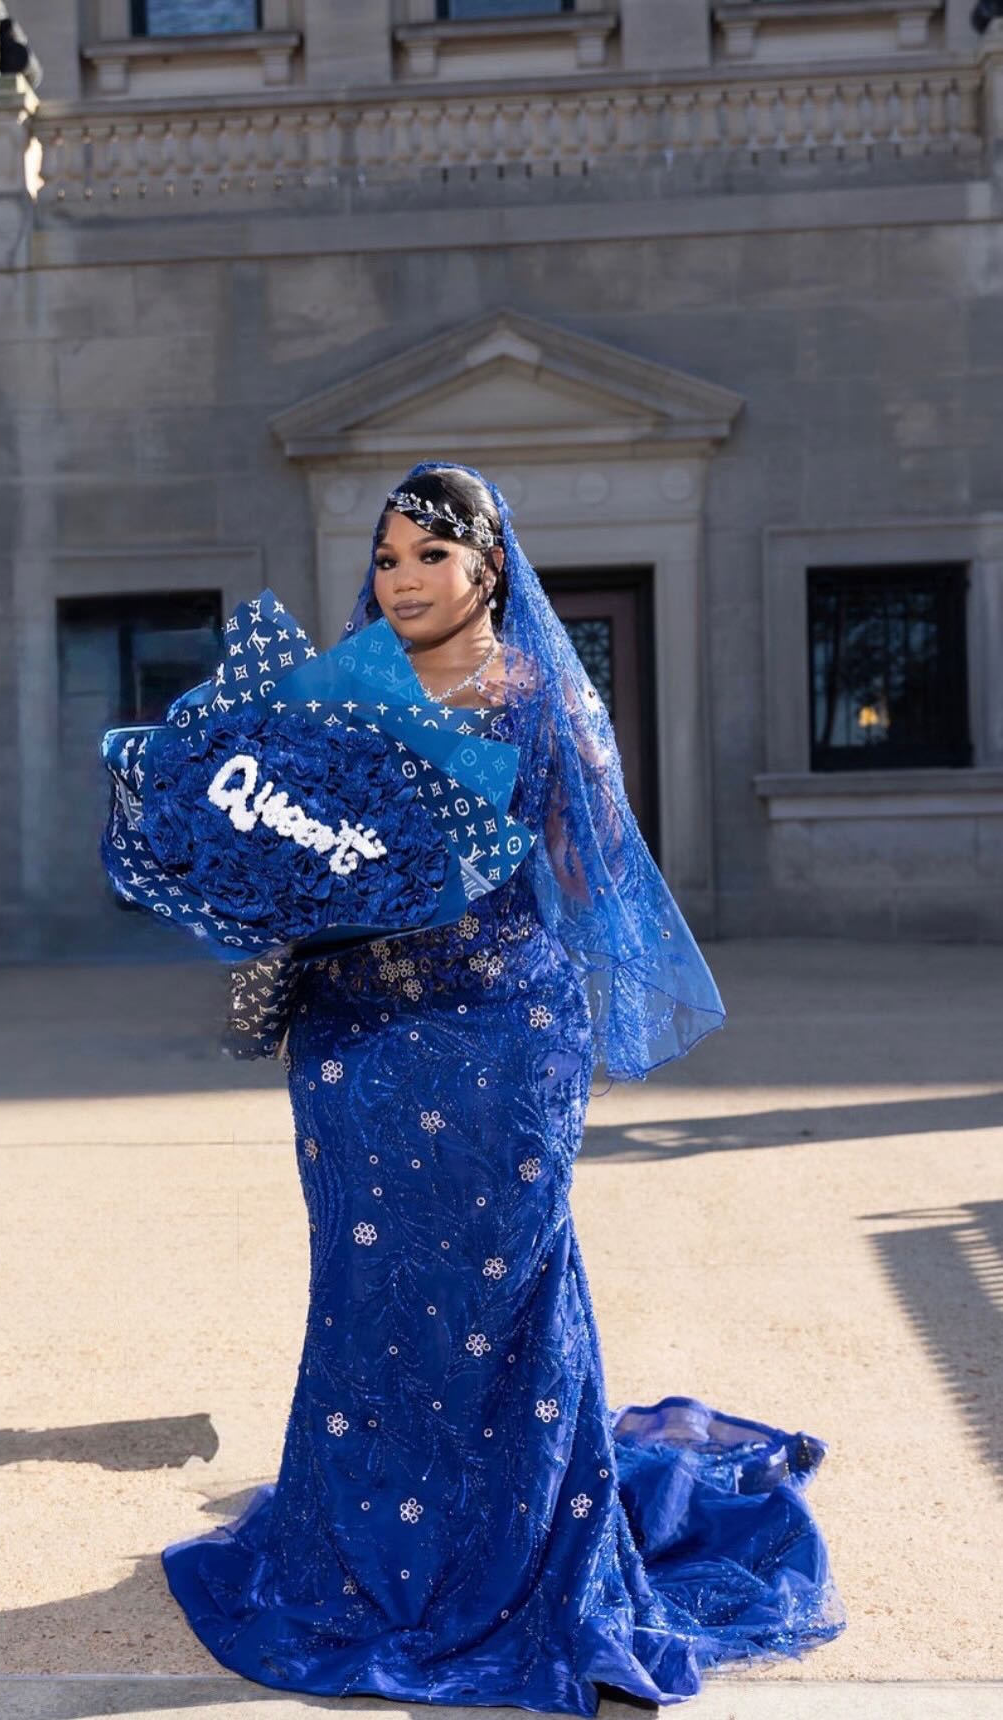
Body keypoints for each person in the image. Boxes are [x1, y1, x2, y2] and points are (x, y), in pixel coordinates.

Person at [162, 461, 847, 1714]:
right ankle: (369, 1554)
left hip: (496, 1034)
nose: (405, 578)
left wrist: (463, 867)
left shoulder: (542, 698)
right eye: (386, 557)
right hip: (356, 1039)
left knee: (505, 1292)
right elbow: (281, 851)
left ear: (490, 567)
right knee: (370, 1291)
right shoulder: (339, 692)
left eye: (432, 554)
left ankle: (532, 1558)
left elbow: (593, 877)